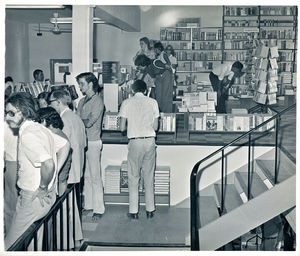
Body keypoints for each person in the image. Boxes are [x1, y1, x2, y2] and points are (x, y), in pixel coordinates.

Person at [4, 92, 69, 249]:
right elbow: (65, 145)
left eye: (11, 113)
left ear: (24, 111)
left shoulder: (28, 134)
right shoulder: (39, 128)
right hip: (40, 196)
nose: (7, 117)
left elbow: (48, 164)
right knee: (34, 240)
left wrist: (43, 186)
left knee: (10, 245)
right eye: (6, 113)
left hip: (33, 197)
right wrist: (53, 178)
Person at [48, 89, 86, 247]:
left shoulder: (62, 120)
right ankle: (76, 239)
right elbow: (84, 143)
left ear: (57, 102)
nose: (51, 105)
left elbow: (60, 147)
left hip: (67, 170)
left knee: (66, 209)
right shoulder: (76, 117)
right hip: (77, 168)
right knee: (73, 207)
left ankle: (68, 242)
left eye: (51, 102)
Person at [119, 80, 159, 220]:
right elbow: (155, 127)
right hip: (149, 141)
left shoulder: (126, 103)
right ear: (146, 89)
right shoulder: (153, 102)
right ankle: (150, 210)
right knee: (148, 176)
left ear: (132, 90)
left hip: (135, 142)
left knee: (133, 177)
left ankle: (134, 211)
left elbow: (122, 128)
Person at [76, 72, 105, 221]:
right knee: (86, 176)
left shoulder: (98, 101)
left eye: (82, 84)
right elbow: (80, 120)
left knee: (95, 176)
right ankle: (89, 205)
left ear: (90, 84)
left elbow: (88, 122)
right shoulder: (81, 101)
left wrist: (77, 120)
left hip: (93, 142)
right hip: (83, 142)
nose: (80, 87)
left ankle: (99, 208)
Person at [3, 121, 18, 234]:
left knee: (10, 206)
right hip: (22, 163)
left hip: (11, 164)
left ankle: (11, 238)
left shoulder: (5, 124)